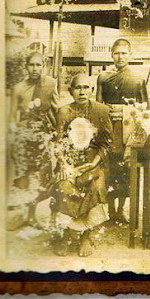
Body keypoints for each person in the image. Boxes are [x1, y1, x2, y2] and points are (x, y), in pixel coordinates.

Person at [50, 74, 114, 257]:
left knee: (96, 187)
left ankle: (86, 235)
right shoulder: (64, 111)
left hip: (94, 164)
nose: (82, 92)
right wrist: (64, 164)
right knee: (63, 188)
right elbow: (58, 143)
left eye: (86, 87)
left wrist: (93, 163)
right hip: (69, 164)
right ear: (71, 91)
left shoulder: (102, 111)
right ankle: (65, 235)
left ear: (92, 90)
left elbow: (106, 143)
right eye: (78, 88)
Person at [96, 38, 148, 224]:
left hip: (129, 127)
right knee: (109, 165)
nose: (120, 57)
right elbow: (98, 105)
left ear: (130, 55)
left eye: (124, 53)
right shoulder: (103, 77)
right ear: (111, 55)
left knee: (127, 167)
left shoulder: (138, 78)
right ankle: (110, 210)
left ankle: (121, 209)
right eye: (117, 53)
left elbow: (145, 106)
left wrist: (132, 111)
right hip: (110, 125)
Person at [7, 51, 59, 229]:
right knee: (24, 178)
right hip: (23, 139)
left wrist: (55, 135)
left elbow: (55, 111)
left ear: (43, 66)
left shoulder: (50, 84)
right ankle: (23, 216)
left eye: (38, 65)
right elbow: (12, 118)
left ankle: (32, 215)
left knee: (41, 178)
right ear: (26, 66)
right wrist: (14, 138)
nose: (35, 68)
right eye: (32, 64)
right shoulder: (18, 88)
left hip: (43, 137)